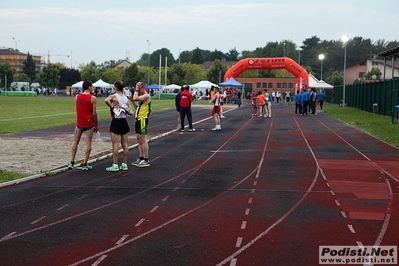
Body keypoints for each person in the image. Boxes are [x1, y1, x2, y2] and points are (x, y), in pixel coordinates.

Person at [67, 80, 98, 170]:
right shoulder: (93, 98)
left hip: (79, 122)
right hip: (89, 123)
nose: (93, 88)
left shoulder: (77, 97)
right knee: (88, 143)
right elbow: (94, 113)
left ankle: (72, 162)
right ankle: (85, 163)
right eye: (92, 86)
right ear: (89, 87)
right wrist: (96, 125)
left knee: (75, 141)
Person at [104, 80, 134, 171]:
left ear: (116, 87)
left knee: (115, 144)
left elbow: (106, 100)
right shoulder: (125, 98)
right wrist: (124, 108)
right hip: (124, 121)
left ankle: (115, 164)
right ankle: (124, 164)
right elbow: (132, 113)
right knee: (125, 144)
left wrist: (112, 106)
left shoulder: (114, 96)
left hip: (116, 121)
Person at [130, 81, 151, 168]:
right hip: (138, 119)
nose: (137, 90)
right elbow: (136, 108)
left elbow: (135, 98)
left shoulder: (146, 96)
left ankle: (146, 159)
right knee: (139, 139)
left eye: (138, 88)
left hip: (143, 119)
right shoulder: (141, 98)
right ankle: (141, 157)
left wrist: (136, 90)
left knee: (143, 139)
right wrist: (132, 101)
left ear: (142, 87)